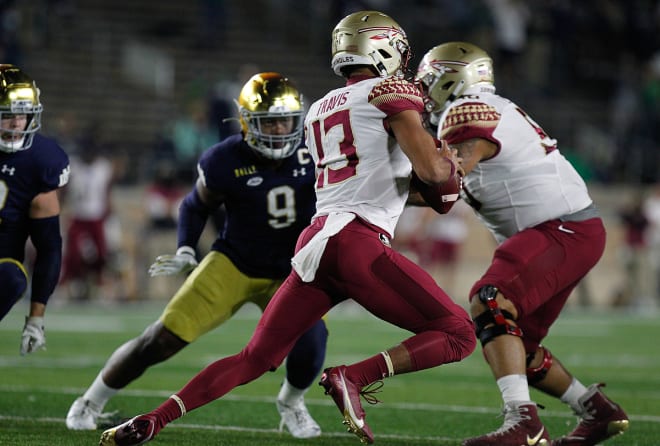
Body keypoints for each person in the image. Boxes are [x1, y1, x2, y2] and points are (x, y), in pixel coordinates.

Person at [98, 11, 475, 446]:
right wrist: (450, 169)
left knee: (252, 358)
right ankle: (352, 376)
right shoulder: (392, 91)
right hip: (357, 242)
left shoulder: (319, 108)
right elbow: (432, 176)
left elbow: (385, 182)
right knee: (460, 334)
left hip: (316, 242)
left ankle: (153, 420)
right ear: (384, 49)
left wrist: (436, 181)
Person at [67, 72, 329, 439]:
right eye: (269, 120)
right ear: (246, 122)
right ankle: (90, 401)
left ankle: (291, 402)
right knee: (161, 338)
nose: (279, 128)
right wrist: (187, 247)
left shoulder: (315, 151)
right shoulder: (223, 158)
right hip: (233, 263)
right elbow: (195, 205)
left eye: (286, 119)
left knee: (312, 343)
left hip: (292, 269)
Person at [415, 41, 630, 446]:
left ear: (451, 80)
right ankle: (597, 410)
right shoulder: (484, 108)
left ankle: (524, 423)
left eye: (430, 81)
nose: (425, 90)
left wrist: (369, 187)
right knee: (517, 346)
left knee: (489, 300)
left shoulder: (466, 111)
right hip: (566, 229)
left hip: (558, 228)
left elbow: (443, 180)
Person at [0, 64, 70, 354]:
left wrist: (36, 318)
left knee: (12, 278)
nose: (17, 124)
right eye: (7, 116)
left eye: (23, 115)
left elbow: (49, 246)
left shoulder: (41, 161)